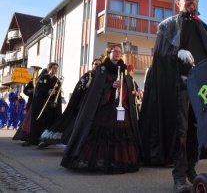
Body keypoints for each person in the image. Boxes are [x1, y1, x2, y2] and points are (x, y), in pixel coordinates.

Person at [139, 0, 207, 193]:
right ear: (178, 3)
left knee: (199, 130)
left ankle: (191, 167)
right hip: (179, 86)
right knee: (181, 131)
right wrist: (176, 52)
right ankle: (179, 175)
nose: (192, 2)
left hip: (200, 88)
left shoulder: (202, 27)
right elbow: (160, 57)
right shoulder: (168, 26)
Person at [60, 44, 140, 174]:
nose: (117, 54)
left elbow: (130, 87)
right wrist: (111, 86)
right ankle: (100, 160)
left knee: (120, 135)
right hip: (104, 109)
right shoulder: (102, 69)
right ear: (109, 53)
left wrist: (123, 89)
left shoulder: (124, 69)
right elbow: (96, 89)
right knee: (101, 135)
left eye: (120, 52)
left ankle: (118, 160)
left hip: (120, 109)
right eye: (115, 51)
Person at [40, 59, 101, 147]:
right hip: (82, 105)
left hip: (94, 105)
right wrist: (85, 86)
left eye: (99, 64)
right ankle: (48, 140)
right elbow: (79, 86)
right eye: (95, 64)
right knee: (70, 124)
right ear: (92, 65)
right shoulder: (88, 75)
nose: (97, 66)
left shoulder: (101, 76)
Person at [28, 63, 62, 147]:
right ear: (49, 68)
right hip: (42, 104)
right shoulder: (42, 79)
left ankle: (46, 140)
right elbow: (38, 92)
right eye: (54, 68)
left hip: (51, 106)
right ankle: (40, 139)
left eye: (56, 68)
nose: (55, 70)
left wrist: (55, 92)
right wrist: (48, 92)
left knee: (49, 122)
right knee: (41, 122)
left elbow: (58, 93)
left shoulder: (56, 80)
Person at [14, 68, 47, 145]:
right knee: (30, 121)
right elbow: (26, 90)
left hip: (44, 104)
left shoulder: (49, 81)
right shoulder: (34, 81)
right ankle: (28, 138)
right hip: (33, 102)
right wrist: (33, 90)